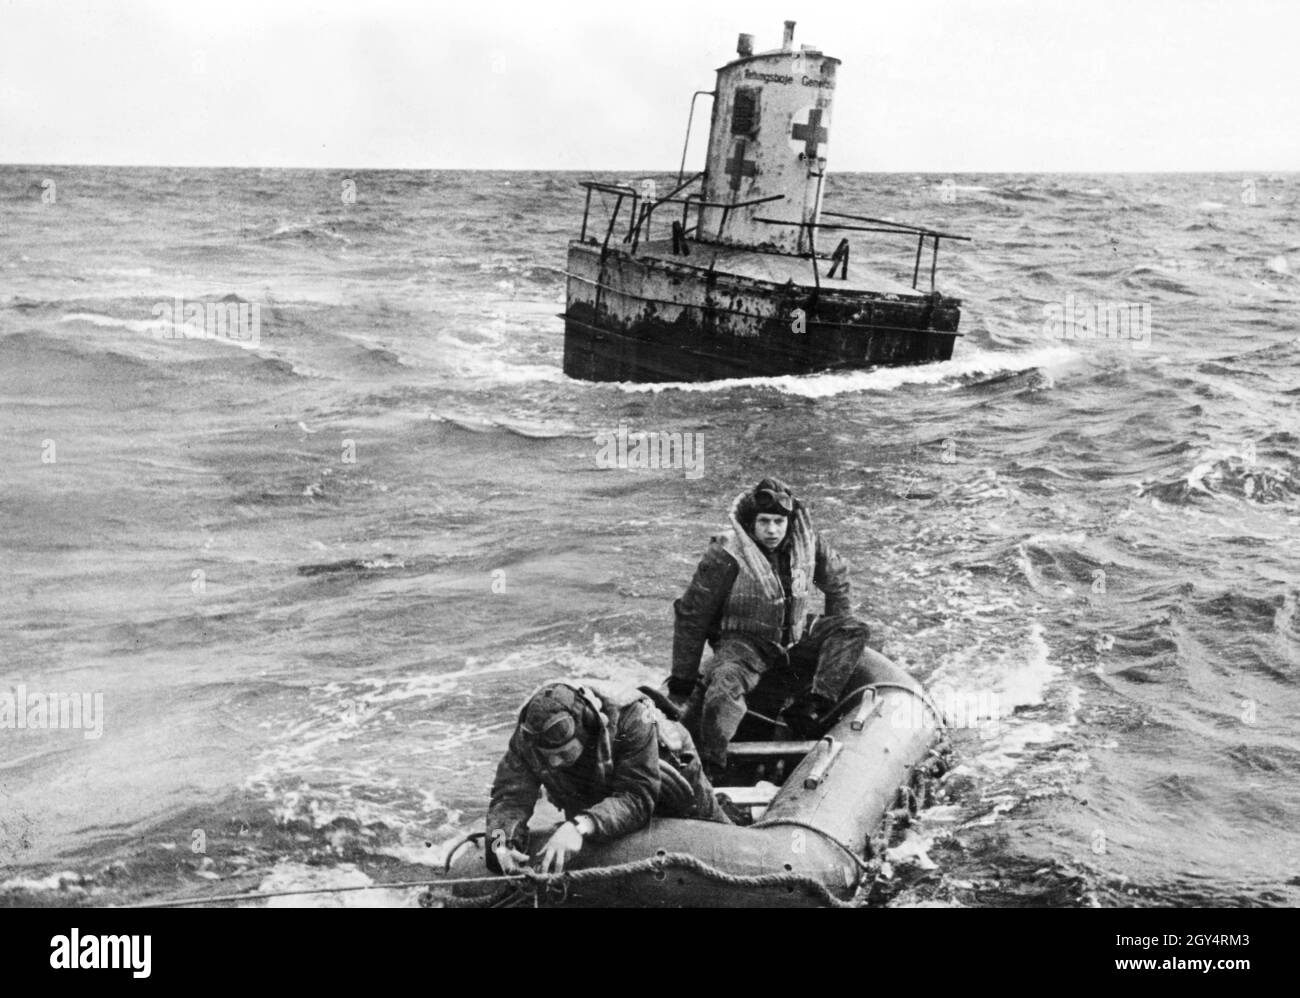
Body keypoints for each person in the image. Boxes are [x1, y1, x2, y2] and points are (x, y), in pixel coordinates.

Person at [667, 477, 918, 779]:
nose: (772, 530)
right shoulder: (725, 556)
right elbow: (693, 614)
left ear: (788, 521)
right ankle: (712, 764)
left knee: (851, 629)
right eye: (764, 522)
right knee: (722, 689)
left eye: (778, 521)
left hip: (796, 635)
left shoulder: (807, 543)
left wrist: (829, 668)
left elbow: (836, 582)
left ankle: (812, 705)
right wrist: (682, 681)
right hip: (744, 642)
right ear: (751, 524)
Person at [485, 680, 729, 875]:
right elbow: (509, 798)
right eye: (547, 757)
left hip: (669, 772)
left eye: (563, 753)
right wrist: (501, 843)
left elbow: (636, 797)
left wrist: (579, 827)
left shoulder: (631, 716)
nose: (554, 763)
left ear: (587, 731)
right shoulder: (527, 739)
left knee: (721, 844)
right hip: (594, 788)